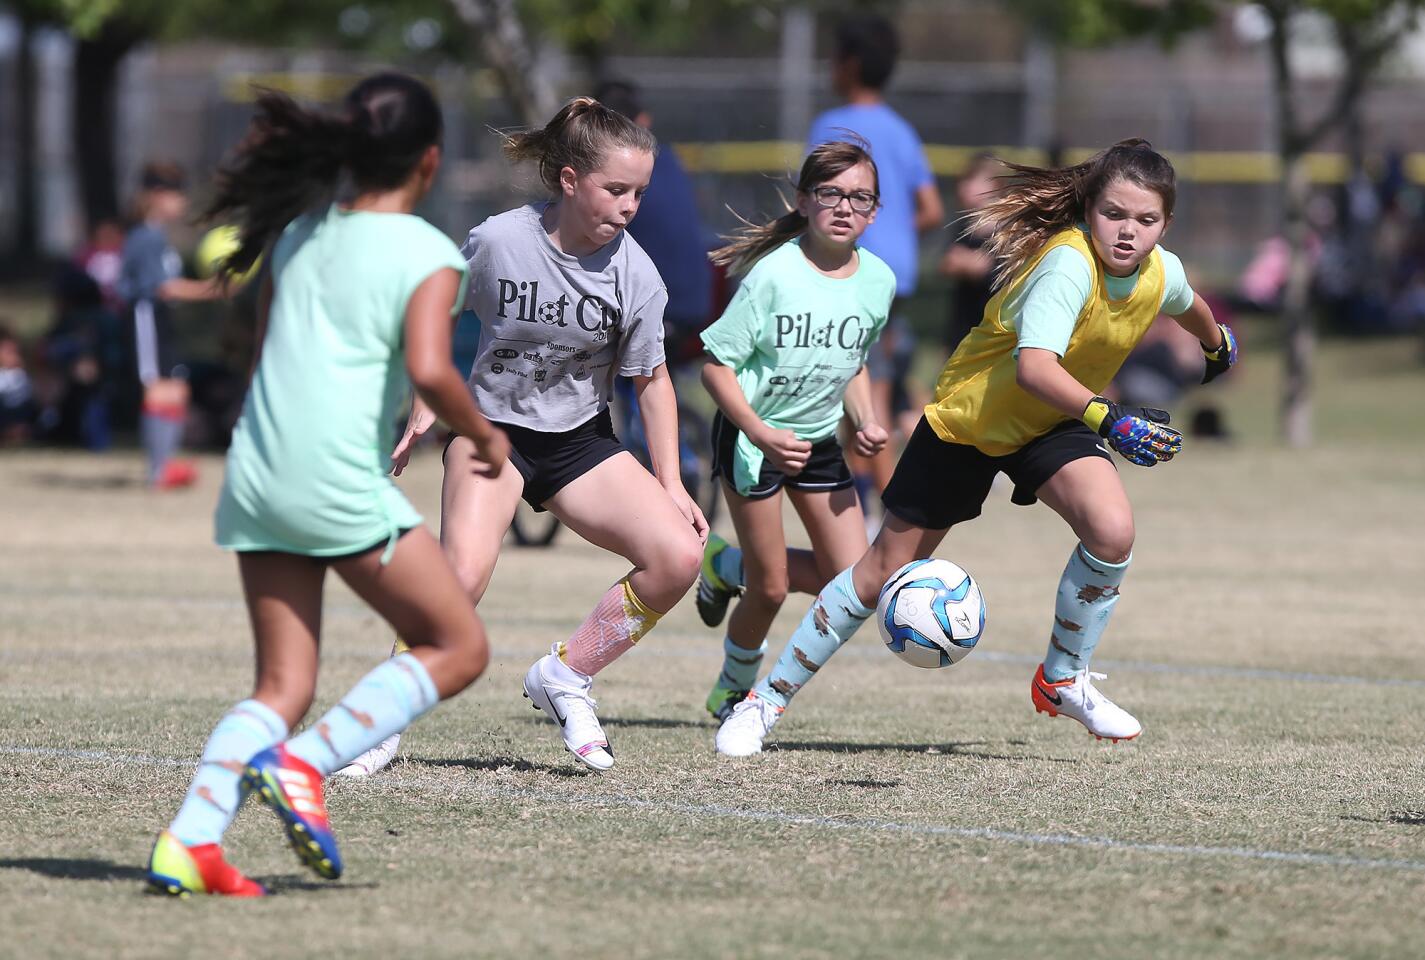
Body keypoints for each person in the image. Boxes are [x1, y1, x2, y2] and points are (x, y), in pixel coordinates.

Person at [715, 139, 1238, 757]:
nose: (1128, 232)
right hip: (973, 421)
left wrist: (1216, 343)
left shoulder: (1161, 270)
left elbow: (1188, 303)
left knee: (1112, 531)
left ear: (1165, 224)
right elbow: (1035, 369)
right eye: (1114, 215)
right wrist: (1110, 419)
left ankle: (1062, 679)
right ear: (1088, 209)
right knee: (876, 574)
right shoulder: (1068, 266)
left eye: (1145, 220)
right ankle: (764, 701)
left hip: (1051, 424)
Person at [145, 73, 510, 897]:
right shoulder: (426, 251)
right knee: (458, 646)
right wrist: (482, 433)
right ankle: (304, 765)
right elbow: (428, 367)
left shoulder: (302, 231)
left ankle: (190, 843)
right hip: (332, 478)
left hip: (258, 469)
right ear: (430, 159)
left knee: (282, 685)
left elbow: (262, 340)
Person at [375, 96, 707, 775]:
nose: (629, 205)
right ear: (568, 180)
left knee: (677, 557)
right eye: (615, 189)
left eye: (638, 192)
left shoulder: (636, 274)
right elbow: (433, 306)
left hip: (577, 440)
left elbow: (652, 382)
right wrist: (424, 401)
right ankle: (376, 724)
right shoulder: (500, 239)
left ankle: (564, 677)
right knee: (460, 580)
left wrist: (671, 483)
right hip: (490, 431)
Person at [694, 140, 894, 721]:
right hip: (753, 441)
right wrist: (757, 431)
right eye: (830, 193)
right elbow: (715, 367)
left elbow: (853, 359)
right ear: (805, 201)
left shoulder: (878, 282)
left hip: (819, 441)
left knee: (856, 584)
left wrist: (868, 418)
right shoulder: (773, 276)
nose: (843, 207)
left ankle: (723, 566)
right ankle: (733, 688)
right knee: (773, 589)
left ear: (875, 211)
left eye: (859, 197)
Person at [806, 13, 944, 501]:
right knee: (862, 396)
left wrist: (857, 232)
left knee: (869, 402)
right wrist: (891, 235)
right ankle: (867, 505)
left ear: (850, 64)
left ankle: (893, 514)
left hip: (851, 281)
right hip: (896, 285)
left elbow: (812, 199)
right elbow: (931, 210)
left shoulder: (830, 125)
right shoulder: (902, 130)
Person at [117, 162, 225, 489]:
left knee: (177, 387)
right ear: (156, 196)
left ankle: (166, 462)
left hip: (162, 318)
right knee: (159, 388)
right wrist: (214, 289)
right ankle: (157, 471)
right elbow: (164, 287)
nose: (183, 203)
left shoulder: (158, 236)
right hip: (146, 317)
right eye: (177, 195)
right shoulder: (144, 236)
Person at [593, 79, 713, 336]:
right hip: (695, 302)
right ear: (644, 120)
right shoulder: (667, 158)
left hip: (658, 308)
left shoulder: (614, 171)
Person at [940, 153, 1001, 356]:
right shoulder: (962, 227)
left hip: (994, 323)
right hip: (964, 321)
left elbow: (991, 270)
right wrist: (970, 263)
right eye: (963, 182)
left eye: (972, 181)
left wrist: (975, 264)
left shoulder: (1005, 230)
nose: (964, 188)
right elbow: (948, 263)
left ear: (994, 185)